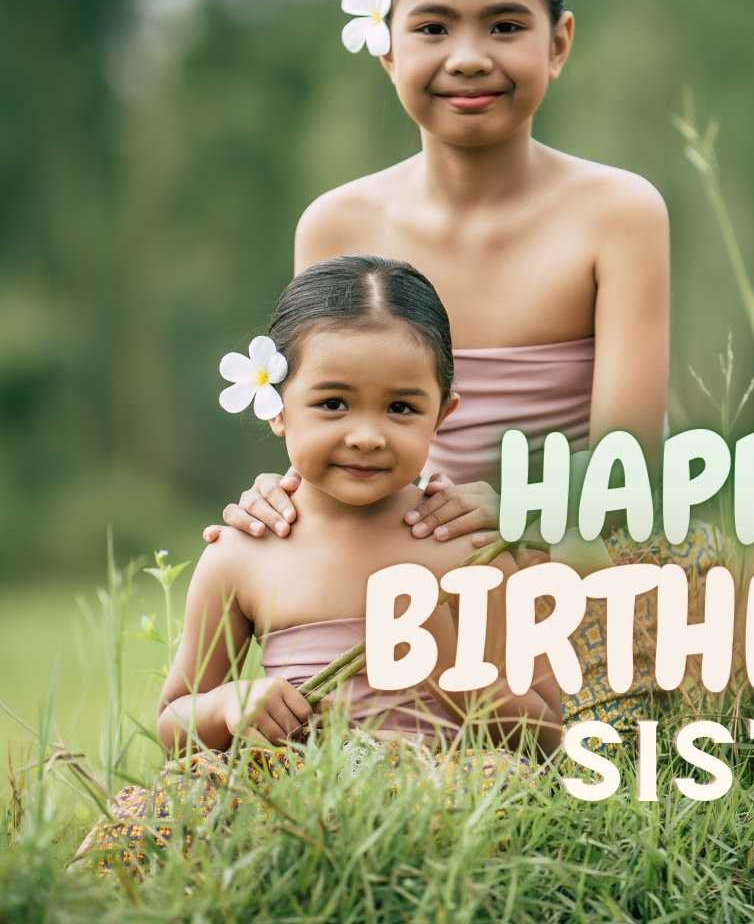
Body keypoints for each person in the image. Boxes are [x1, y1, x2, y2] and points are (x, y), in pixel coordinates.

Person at [205, 0, 721, 733]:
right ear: (385, 45)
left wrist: (511, 506)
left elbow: (630, 467)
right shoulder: (338, 225)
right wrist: (283, 500)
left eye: (506, 26)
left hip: (563, 552)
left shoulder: (619, 214)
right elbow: (326, 416)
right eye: (434, 27)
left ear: (559, 43)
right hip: (396, 561)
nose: (470, 57)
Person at [75, 255, 560, 877]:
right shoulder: (244, 553)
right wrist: (231, 704)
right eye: (333, 403)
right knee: (161, 813)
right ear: (277, 406)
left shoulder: (468, 546)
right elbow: (175, 719)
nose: (366, 434)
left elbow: (549, 739)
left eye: (402, 409)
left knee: (506, 790)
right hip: (293, 791)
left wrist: (456, 671)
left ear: (445, 412)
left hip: (442, 784)